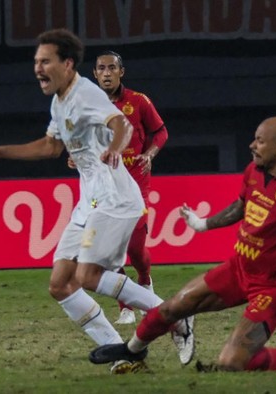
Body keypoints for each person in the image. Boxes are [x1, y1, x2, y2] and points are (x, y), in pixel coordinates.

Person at [0, 28, 193, 373]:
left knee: (88, 275)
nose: (38, 68)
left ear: (67, 63)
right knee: (61, 284)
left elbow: (123, 126)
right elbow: (50, 147)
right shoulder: (60, 101)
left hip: (114, 197)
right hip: (90, 200)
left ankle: (175, 317)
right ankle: (121, 353)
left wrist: (115, 147)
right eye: (36, 61)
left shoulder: (86, 93)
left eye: (46, 61)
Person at [89, 116, 276, 372]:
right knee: (170, 309)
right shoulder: (253, 171)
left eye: (260, 141)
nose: (252, 145)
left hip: (275, 287)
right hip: (238, 270)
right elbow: (240, 207)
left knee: (233, 362)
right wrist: (203, 224)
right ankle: (132, 351)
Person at [91, 50, 169, 325]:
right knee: (110, 249)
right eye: (102, 68)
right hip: (103, 186)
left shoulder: (138, 101)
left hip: (135, 183)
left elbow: (161, 132)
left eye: (112, 68)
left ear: (121, 72)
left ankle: (145, 280)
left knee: (135, 247)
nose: (107, 73)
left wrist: (149, 154)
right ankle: (126, 305)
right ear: (95, 74)